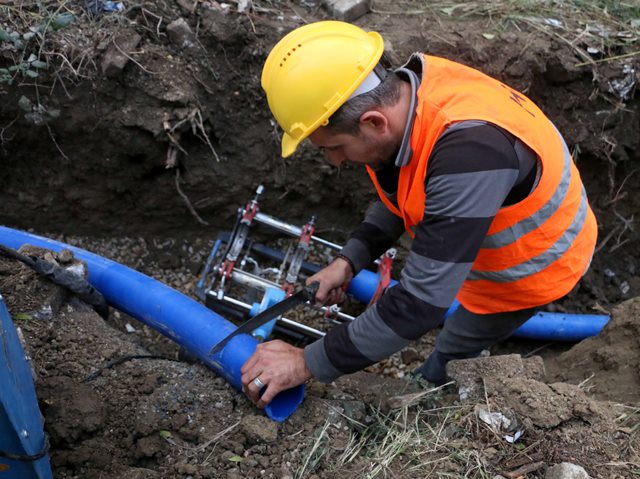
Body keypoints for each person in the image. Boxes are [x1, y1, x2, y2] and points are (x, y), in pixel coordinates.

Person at [241, 21, 597, 408]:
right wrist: (349, 261)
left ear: (373, 122)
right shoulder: (408, 96)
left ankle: (433, 392)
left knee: (458, 340)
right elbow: (406, 191)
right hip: (478, 236)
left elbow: (420, 303)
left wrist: (306, 362)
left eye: (336, 147)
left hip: (533, 266)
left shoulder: (469, 154)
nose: (335, 160)